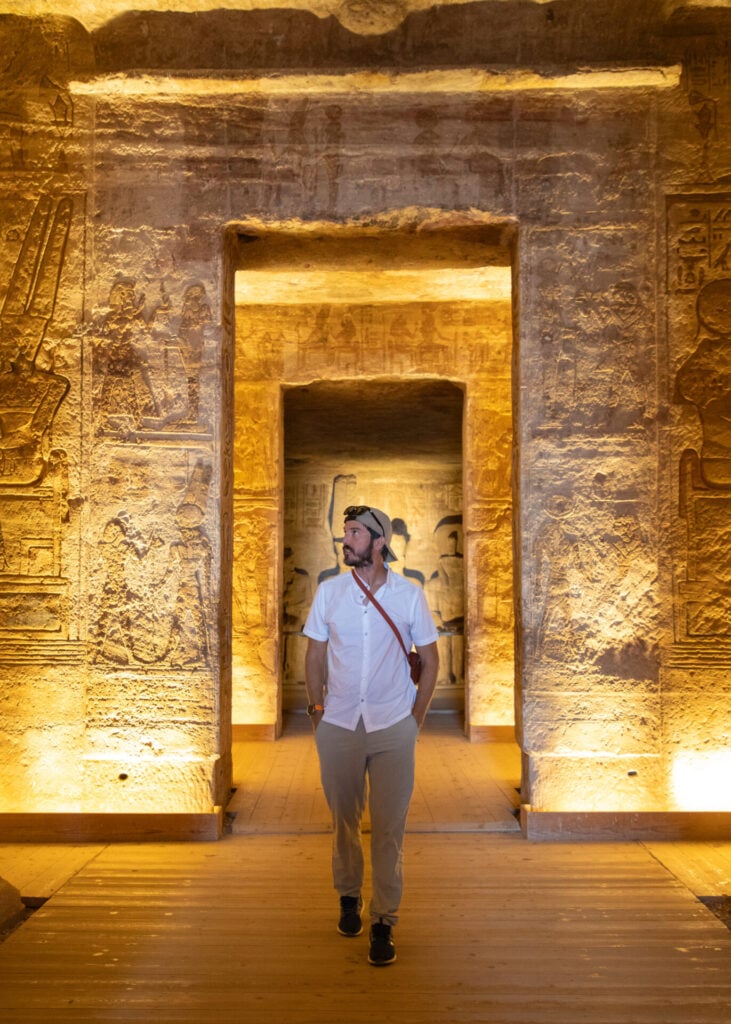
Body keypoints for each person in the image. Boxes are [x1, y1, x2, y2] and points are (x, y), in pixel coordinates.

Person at [303, 504, 439, 966]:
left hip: (393, 724)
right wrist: (317, 711)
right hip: (339, 723)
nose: (346, 540)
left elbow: (431, 660)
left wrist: (416, 718)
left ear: (379, 542)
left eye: (355, 532)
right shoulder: (330, 592)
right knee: (343, 821)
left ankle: (384, 919)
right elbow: (315, 654)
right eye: (345, 532)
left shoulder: (409, 596)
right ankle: (348, 896)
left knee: (389, 828)